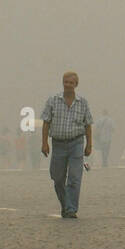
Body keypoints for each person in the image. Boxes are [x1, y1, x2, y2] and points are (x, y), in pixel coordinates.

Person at [41, 70, 93, 219]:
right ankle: (65, 204)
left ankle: (71, 209)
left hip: (76, 143)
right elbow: (46, 122)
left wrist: (89, 145)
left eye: (71, 83)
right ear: (62, 83)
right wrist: (44, 143)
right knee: (57, 178)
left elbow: (88, 125)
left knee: (74, 178)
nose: (68, 85)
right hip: (58, 144)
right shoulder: (53, 100)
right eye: (66, 82)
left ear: (76, 84)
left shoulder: (82, 103)